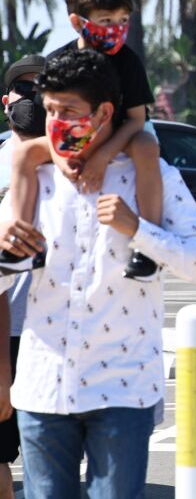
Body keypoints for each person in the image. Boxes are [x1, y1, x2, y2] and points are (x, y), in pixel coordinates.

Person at [0, 48, 196, 498]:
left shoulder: (151, 174)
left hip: (121, 391)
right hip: (44, 391)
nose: (55, 122)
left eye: (69, 111)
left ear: (104, 112)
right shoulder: (32, 179)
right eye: (49, 110)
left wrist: (139, 230)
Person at [0, 0, 162, 281]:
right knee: (24, 154)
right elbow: (50, 120)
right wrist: (62, 160)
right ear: (77, 22)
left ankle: (149, 245)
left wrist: (101, 158)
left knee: (147, 144)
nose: (116, 28)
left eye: (123, 19)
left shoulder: (128, 61)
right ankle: (22, 249)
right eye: (106, 20)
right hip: (70, 136)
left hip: (119, 134)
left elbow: (136, 120)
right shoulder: (58, 60)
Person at [0, 54, 46, 499]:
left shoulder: (76, 162)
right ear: (5, 101)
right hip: (3, 330)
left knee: (44, 458)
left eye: (41, 89)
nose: (32, 99)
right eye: (24, 90)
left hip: (50, 332)